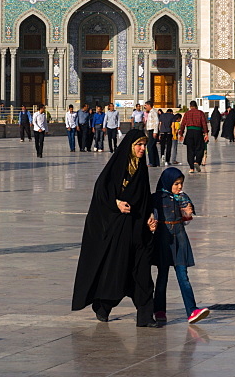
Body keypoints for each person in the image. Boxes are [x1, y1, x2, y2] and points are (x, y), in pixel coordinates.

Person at [71, 129, 159, 327]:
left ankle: (145, 316)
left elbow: (144, 197)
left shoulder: (141, 169)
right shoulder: (116, 168)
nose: (143, 149)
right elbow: (101, 194)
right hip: (119, 230)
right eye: (139, 145)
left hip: (138, 230)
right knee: (116, 272)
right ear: (129, 146)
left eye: (144, 145)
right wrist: (116, 203)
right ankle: (103, 305)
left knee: (143, 273)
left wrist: (150, 216)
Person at [152, 167, 210, 324]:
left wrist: (187, 212)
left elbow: (187, 214)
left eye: (181, 183)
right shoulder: (157, 198)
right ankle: (159, 309)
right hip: (163, 240)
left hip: (180, 238)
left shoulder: (183, 198)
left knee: (183, 276)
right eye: (176, 183)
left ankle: (192, 310)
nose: (179, 187)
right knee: (162, 276)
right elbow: (151, 216)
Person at [178, 101, 208, 174]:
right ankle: (197, 161)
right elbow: (204, 123)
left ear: (190, 106)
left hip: (189, 132)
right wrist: (206, 133)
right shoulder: (200, 113)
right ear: (196, 106)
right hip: (198, 132)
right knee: (200, 148)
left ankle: (191, 168)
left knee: (190, 150)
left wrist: (181, 134)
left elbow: (182, 124)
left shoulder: (187, 113)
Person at [144, 101, 160, 168]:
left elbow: (156, 122)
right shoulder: (150, 112)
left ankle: (152, 162)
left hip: (153, 131)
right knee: (153, 146)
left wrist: (155, 131)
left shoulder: (153, 112)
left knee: (149, 146)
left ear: (149, 105)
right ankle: (156, 162)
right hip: (151, 131)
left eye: (146, 105)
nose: (145, 107)